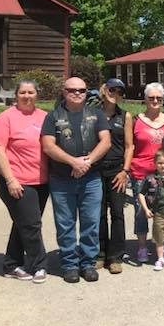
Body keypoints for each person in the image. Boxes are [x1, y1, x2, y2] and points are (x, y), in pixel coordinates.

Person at [41, 77, 112, 283]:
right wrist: (73, 162)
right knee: (65, 223)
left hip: (91, 179)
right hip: (62, 180)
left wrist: (86, 162)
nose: (77, 93)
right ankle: (69, 264)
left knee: (91, 222)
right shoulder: (53, 116)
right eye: (72, 90)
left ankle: (88, 263)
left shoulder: (96, 114)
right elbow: (48, 146)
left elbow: (105, 142)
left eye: (81, 90)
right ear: (64, 92)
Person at [0, 78, 50, 283]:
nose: (26, 96)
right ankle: (39, 265)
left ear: (37, 94)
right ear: (16, 95)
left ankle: (11, 264)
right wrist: (10, 180)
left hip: (41, 180)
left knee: (23, 223)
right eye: (22, 92)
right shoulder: (5, 118)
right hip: (17, 180)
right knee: (31, 224)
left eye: (31, 92)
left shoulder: (44, 116)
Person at [129, 83, 164, 263]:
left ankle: (162, 245)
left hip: (163, 173)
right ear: (145, 99)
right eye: (151, 98)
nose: (155, 101)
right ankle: (142, 246)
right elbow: (129, 146)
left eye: (158, 98)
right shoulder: (135, 120)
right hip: (140, 172)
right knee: (141, 211)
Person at [97, 78, 134, 274]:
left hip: (117, 170)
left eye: (120, 91)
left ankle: (116, 256)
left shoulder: (125, 116)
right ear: (105, 90)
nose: (115, 94)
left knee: (117, 213)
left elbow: (129, 146)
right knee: (99, 213)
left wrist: (125, 171)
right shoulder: (93, 113)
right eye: (112, 90)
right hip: (96, 169)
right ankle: (100, 253)